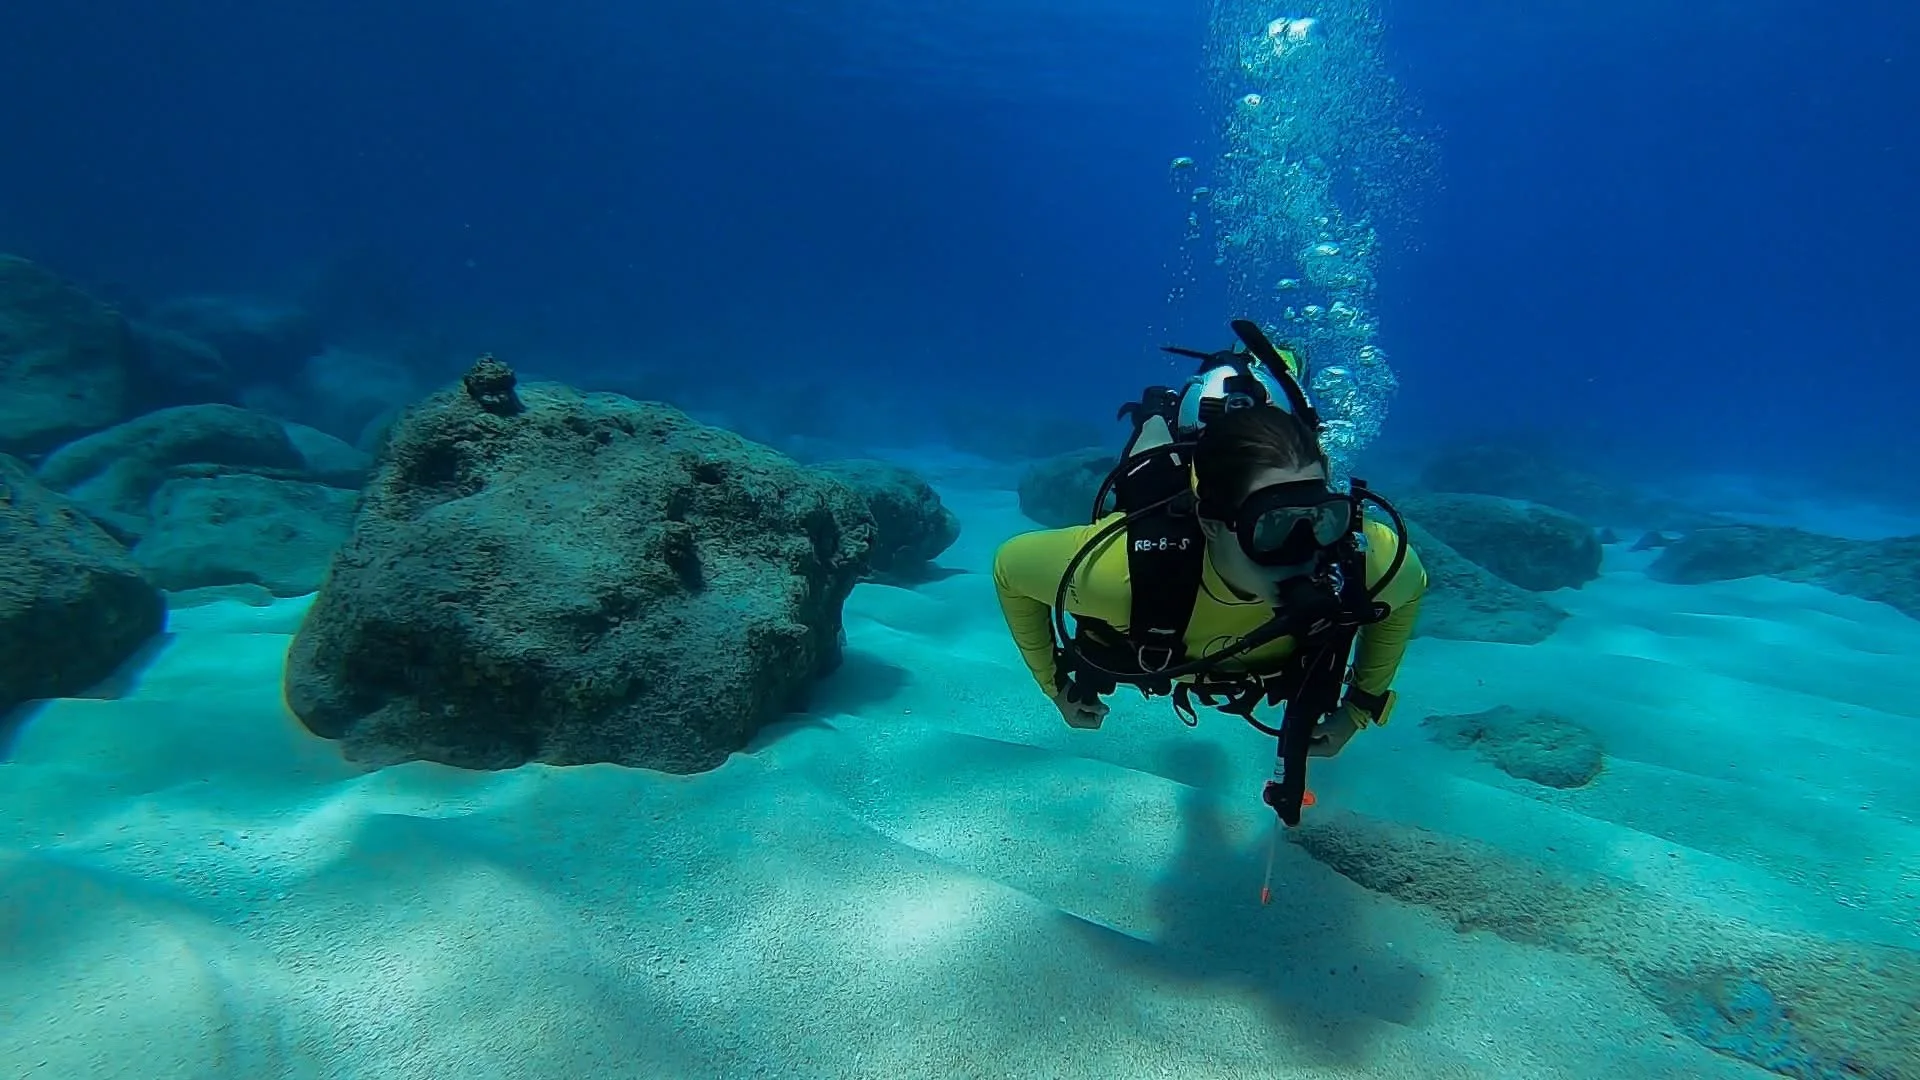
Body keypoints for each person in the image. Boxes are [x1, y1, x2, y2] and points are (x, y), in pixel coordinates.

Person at [990, 319, 1427, 825]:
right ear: (1213, 526)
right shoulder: (1121, 574)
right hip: (1176, 486)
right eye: (1274, 527)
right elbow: (1010, 568)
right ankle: (1167, 408)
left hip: (1250, 470)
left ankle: (1273, 373)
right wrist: (1054, 684)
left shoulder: (1359, 555)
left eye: (1321, 519)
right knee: (1151, 462)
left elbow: (1409, 589)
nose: (1310, 551)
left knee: (1289, 432)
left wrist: (1359, 708)